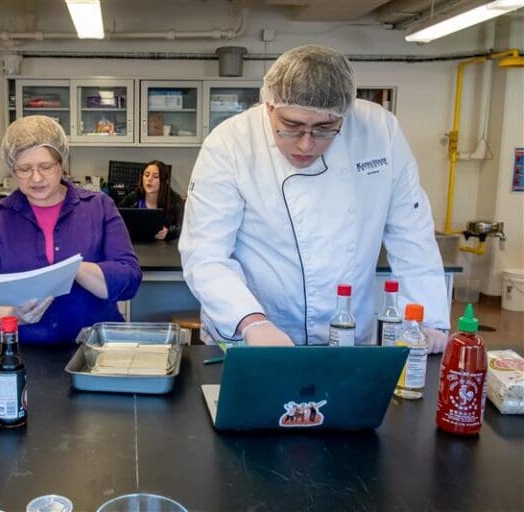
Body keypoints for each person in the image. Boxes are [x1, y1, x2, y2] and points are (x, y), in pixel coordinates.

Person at [179, 45, 450, 352]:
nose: (306, 144)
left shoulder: (379, 132)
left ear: (344, 116)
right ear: (269, 106)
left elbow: (411, 234)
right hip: (251, 335)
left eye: (324, 128)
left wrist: (428, 321)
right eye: (291, 127)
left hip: (346, 335)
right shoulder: (230, 143)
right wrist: (252, 322)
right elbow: (206, 254)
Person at [0, 116, 142, 344]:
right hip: (21, 351)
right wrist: (11, 315)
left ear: (61, 164)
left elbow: (129, 278)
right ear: (12, 170)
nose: (36, 178)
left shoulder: (98, 207)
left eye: (46, 167)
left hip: (93, 349)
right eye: (24, 169)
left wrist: (75, 269)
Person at [120, 160, 185, 241]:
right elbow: (116, 216)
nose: (149, 179)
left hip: (164, 247)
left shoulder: (175, 201)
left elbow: (184, 226)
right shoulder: (133, 198)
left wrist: (170, 233)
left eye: (155, 176)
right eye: (146, 175)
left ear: (165, 181)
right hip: (135, 244)